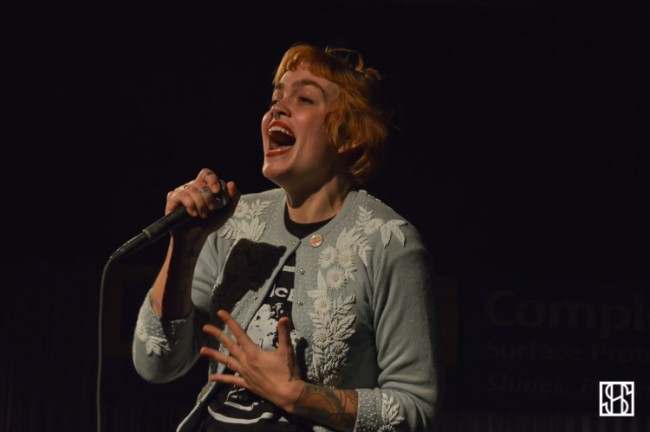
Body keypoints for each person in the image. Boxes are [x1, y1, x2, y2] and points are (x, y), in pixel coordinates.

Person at [132, 42, 441, 432]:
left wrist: (301, 397)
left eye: (304, 99)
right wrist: (184, 247)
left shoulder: (389, 243)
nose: (276, 109)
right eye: (275, 99)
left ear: (348, 135)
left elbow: (415, 408)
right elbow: (156, 362)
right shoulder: (233, 223)